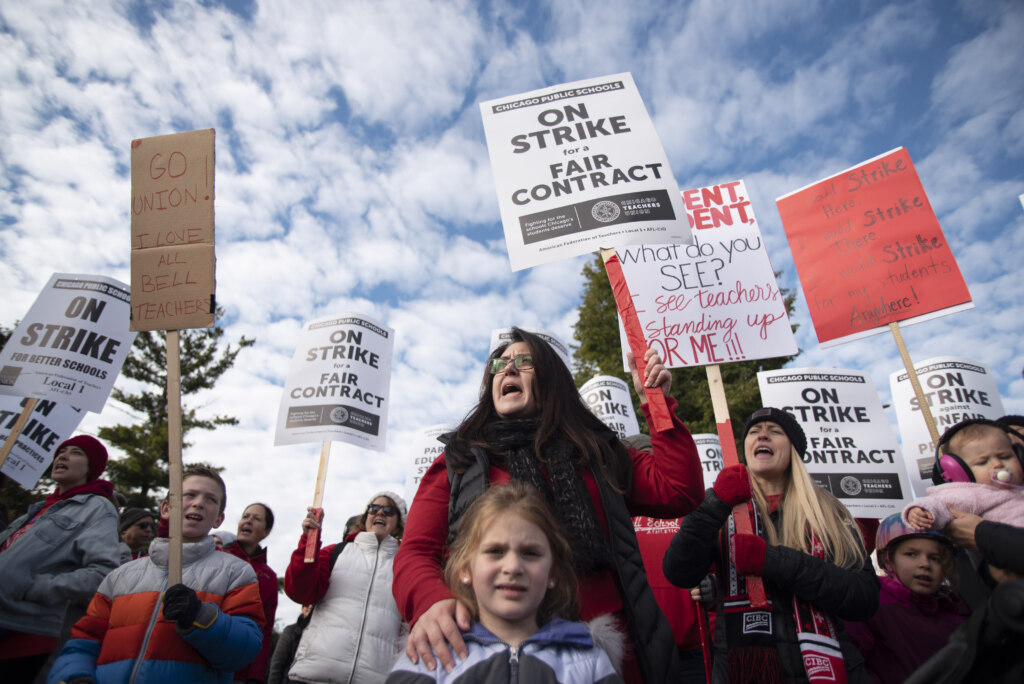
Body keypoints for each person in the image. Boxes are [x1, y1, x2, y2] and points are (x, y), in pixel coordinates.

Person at [394, 327, 703, 683]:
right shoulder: (461, 460)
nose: (508, 369)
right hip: (492, 656)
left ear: (552, 380)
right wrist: (431, 601)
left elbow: (679, 489)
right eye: (500, 364)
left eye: (524, 361)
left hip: (605, 659)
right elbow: (415, 551)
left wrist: (656, 402)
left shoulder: (599, 454)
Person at [663, 407, 879, 683]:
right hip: (740, 669)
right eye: (754, 432)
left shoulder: (829, 511)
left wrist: (772, 561)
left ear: (793, 450)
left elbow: (864, 598)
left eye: (774, 432)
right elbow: (678, 570)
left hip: (830, 670)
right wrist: (714, 503)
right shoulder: (721, 504)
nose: (762, 435)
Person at [47, 465, 265, 683]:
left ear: (218, 519)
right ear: (166, 508)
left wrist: (201, 617)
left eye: (211, 500)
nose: (198, 503)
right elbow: (84, 640)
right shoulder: (120, 576)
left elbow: (244, 651)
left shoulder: (236, 573)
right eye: (189, 494)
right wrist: (75, 675)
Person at [388, 482, 624, 683]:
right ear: (464, 569)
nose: (512, 567)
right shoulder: (429, 658)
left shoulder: (590, 660)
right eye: (495, 551)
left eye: (531, 553)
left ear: (553, 573)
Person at [0, 435, 120, 683]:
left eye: (75, 452)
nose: (62, 456)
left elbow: (102, 572)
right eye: (61, 451)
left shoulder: (97, 507)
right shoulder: (38, 509)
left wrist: (35, 587)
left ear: (91, 468)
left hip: (23, 631)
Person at [284, 491, 408, 683]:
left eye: (389, 510)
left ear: (399, 522)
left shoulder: (406, 565)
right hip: (314, 675)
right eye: (374, 509)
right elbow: (301, 592)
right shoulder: (335, 553)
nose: (380, 513)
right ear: (365, 517)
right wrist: (308, 541)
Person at [904, 419, 1024, 594]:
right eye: (983, 462)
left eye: (1005, 457)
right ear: (960, 472)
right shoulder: (972, 493)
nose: (998, 464)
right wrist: (920, 511)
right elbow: (940, 503)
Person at [844, 513, 964, 684]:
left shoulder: (955, 621)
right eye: (911, 554)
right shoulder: (869, 602)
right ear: (887, 559)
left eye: (935, 558)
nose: (925, 564)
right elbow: (851, 663)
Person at [223, 503, 278, 684]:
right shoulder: (218, 557)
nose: (248, 521)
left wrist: (255, 676)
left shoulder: (269, 577)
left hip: (241, 671)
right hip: (203, 659)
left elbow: (266, 629)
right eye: (245, 516)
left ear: (266, 531)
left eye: (256, 519)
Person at [267, 605, 312, 684]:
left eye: (312, 608)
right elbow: (277, 663)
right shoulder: (291, 632)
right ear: (302, 609)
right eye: (307, 607)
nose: (310, 609)